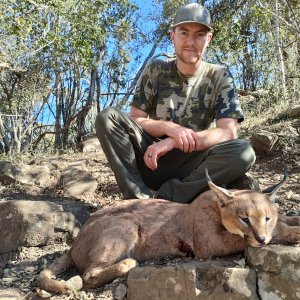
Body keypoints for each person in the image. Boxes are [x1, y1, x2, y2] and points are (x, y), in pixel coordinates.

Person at [95, 2, 256, 203]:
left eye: (199, 34)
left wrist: (174, 141)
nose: (191, 41)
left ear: (209, 38)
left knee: (243, 151)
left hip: (191, 165)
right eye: (184, 33)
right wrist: (168, 128)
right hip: (151, 158)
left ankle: (170, 197)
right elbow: (136, 118)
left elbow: (227, 131)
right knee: (107, 117)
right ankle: (138, 198)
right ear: (172, 36)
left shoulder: (219, 76)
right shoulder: (156, 69)